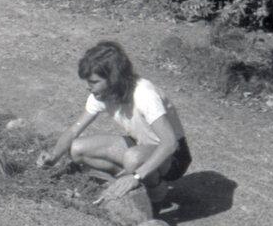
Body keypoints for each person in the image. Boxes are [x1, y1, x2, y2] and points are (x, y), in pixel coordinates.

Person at [37, 40, 191, 208]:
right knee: (77, 150)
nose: (88, 87)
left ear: (113, 79)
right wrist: (53, 156)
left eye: (94, 82)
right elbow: (74, 130)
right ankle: (130, 182)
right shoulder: (101, 94)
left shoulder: (144, 94)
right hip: (140, 146)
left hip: (173, 156)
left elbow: (169, 143)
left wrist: (136, 176)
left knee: (133, 158)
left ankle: (157, 194)